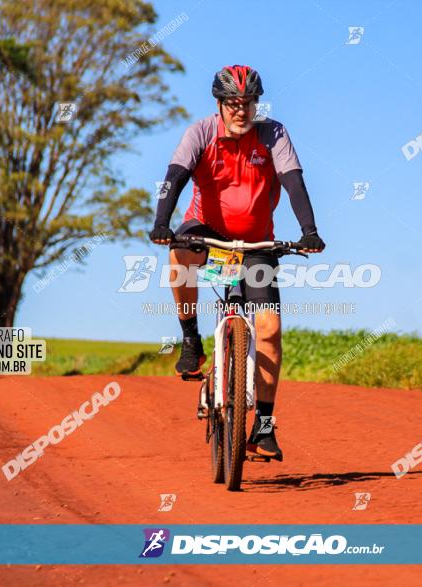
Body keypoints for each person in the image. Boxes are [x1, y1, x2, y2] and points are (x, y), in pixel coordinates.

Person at [149, 65, 325, 461]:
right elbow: (173, 177)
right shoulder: (201, 133)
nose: (241, 111)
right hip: (207, 234)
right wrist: (162, 222)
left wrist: (309, 230)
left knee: (269, 328)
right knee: (179, 251)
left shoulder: (273, 134)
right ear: (220, 105)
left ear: (257, 105)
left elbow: (294, 181)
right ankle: (191, 338)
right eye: (233, 104)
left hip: (256, 243)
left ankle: (263, 426)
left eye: (248, 103)